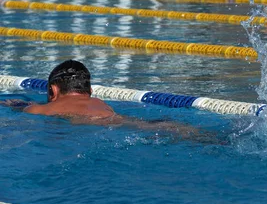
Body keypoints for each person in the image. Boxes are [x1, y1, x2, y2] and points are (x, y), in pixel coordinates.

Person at [1, 60, 223, 143]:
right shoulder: (98, 102)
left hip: (93, 130)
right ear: (88, 90)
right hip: (118, 121)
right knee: (159, 127)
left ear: (53, 90)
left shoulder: (39, 109)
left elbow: (22, 116)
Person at [21, 60, 119, 121]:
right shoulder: (103, 105)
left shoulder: (36, 110)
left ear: (53, 91)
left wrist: (22, 106)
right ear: (90, 91)